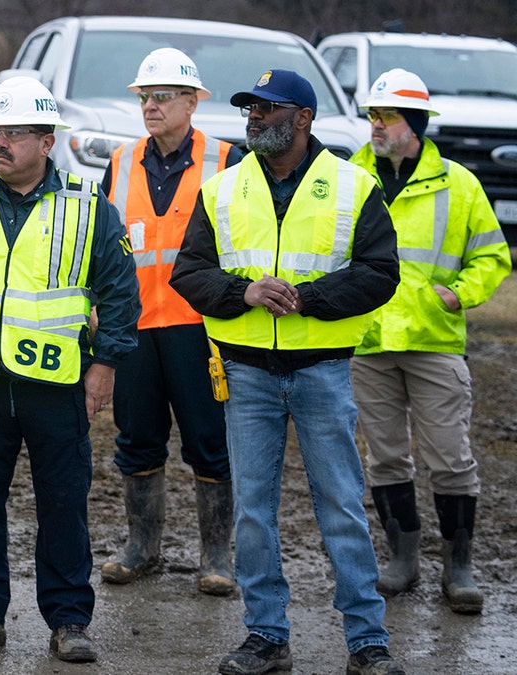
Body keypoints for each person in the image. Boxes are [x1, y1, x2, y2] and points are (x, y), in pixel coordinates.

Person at [169, 69, 406, 675]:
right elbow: (188, 273)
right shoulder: (221, 189)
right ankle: (267, 636)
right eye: (249, 107)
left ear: (302, 119)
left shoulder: (354, 185)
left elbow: (380, 273)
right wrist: (245, 292)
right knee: (252, 509)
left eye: (267, 109)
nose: (252, 117)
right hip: (245, 375)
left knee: (342, 507)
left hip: (322, 371)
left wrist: (308, 297)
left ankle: (367, 643)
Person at [0, 76, 140, 664]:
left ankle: (69, 619)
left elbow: (120, 292)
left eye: (16, 133)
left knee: (63, 503)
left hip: (57, 383)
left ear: (47, 141)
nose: (2, 142)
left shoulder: (88, 208)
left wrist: (106, 365)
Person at [348, 69, 512, 614]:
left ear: (413, 124)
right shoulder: (350, 175)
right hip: (368, 342)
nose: (376, 125)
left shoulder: (459, 184)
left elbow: (492, 255)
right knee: (386, 460)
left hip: (434, 340)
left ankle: (458, 566)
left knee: (451, 458)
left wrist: (459, 294)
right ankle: (403, 559)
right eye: (372, 115)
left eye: (386, 116)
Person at [97, 47, 242, 596]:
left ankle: (217, 554)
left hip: (201, 329)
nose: (150, 106)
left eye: (162, 97)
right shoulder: (120, 161)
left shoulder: (227, 161)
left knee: (210, 440)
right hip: (135, 329)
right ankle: (143, 546)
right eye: (144, 97)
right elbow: (109, 249)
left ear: (191, 102)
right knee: (136, 439)